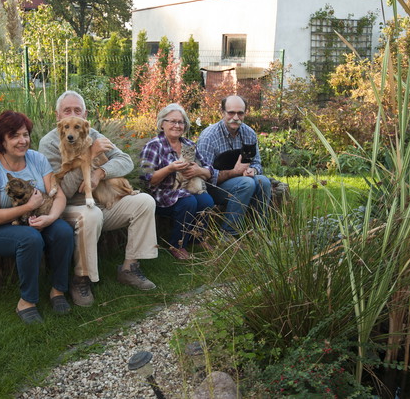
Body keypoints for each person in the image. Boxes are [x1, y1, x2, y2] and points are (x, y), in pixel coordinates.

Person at [38, 91, 158, 308]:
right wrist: (90, 156)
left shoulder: (92, 134)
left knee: (145, 202)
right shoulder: (49, 143)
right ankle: (81, 279)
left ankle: (129, 268)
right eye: (67, 110)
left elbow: (125, 161)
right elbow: (61, 190)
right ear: (57, 116)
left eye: (77, 110)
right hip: (70, 208)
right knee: (91, 215)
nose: (73, 115)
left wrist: (100, 172)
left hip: (101, 202)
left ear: (85, 116)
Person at [0, 110, 74, 324]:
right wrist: (28, 206)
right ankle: (26, 301)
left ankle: (58, 290)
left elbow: (59, 195)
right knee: (30, 238)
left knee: (63, 231)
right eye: (14, 136)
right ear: (1, 140)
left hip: (32, 220)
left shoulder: (37, 159)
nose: (22, 141)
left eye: (25, 134)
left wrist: (50, 218)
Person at [139, 103, 215, 260]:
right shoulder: (153, 146)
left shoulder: (189, 145)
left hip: (186, 189)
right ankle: (177, 245)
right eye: (172, 121)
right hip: (161, 194)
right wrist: (170, 169)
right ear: (162, 124)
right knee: (189, 201)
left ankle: (197, 238)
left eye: (181, 122)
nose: (177, 125)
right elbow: (148, 180)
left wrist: (199, 171)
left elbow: (209, 169)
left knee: (206, 200)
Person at [196, 95, 272, 237]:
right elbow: (203, 175)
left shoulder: (249, 133)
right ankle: (229, 233)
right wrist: (234, 172)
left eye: (240, 113)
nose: (236, 117)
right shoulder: (209, 137)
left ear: (245, 113)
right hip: (214, 187)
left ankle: (259, 230)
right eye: (231, 113)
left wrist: (253, 170)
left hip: (242, 180)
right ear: (222, 112)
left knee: (264, 182)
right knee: (247, 183)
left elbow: (257, 163)